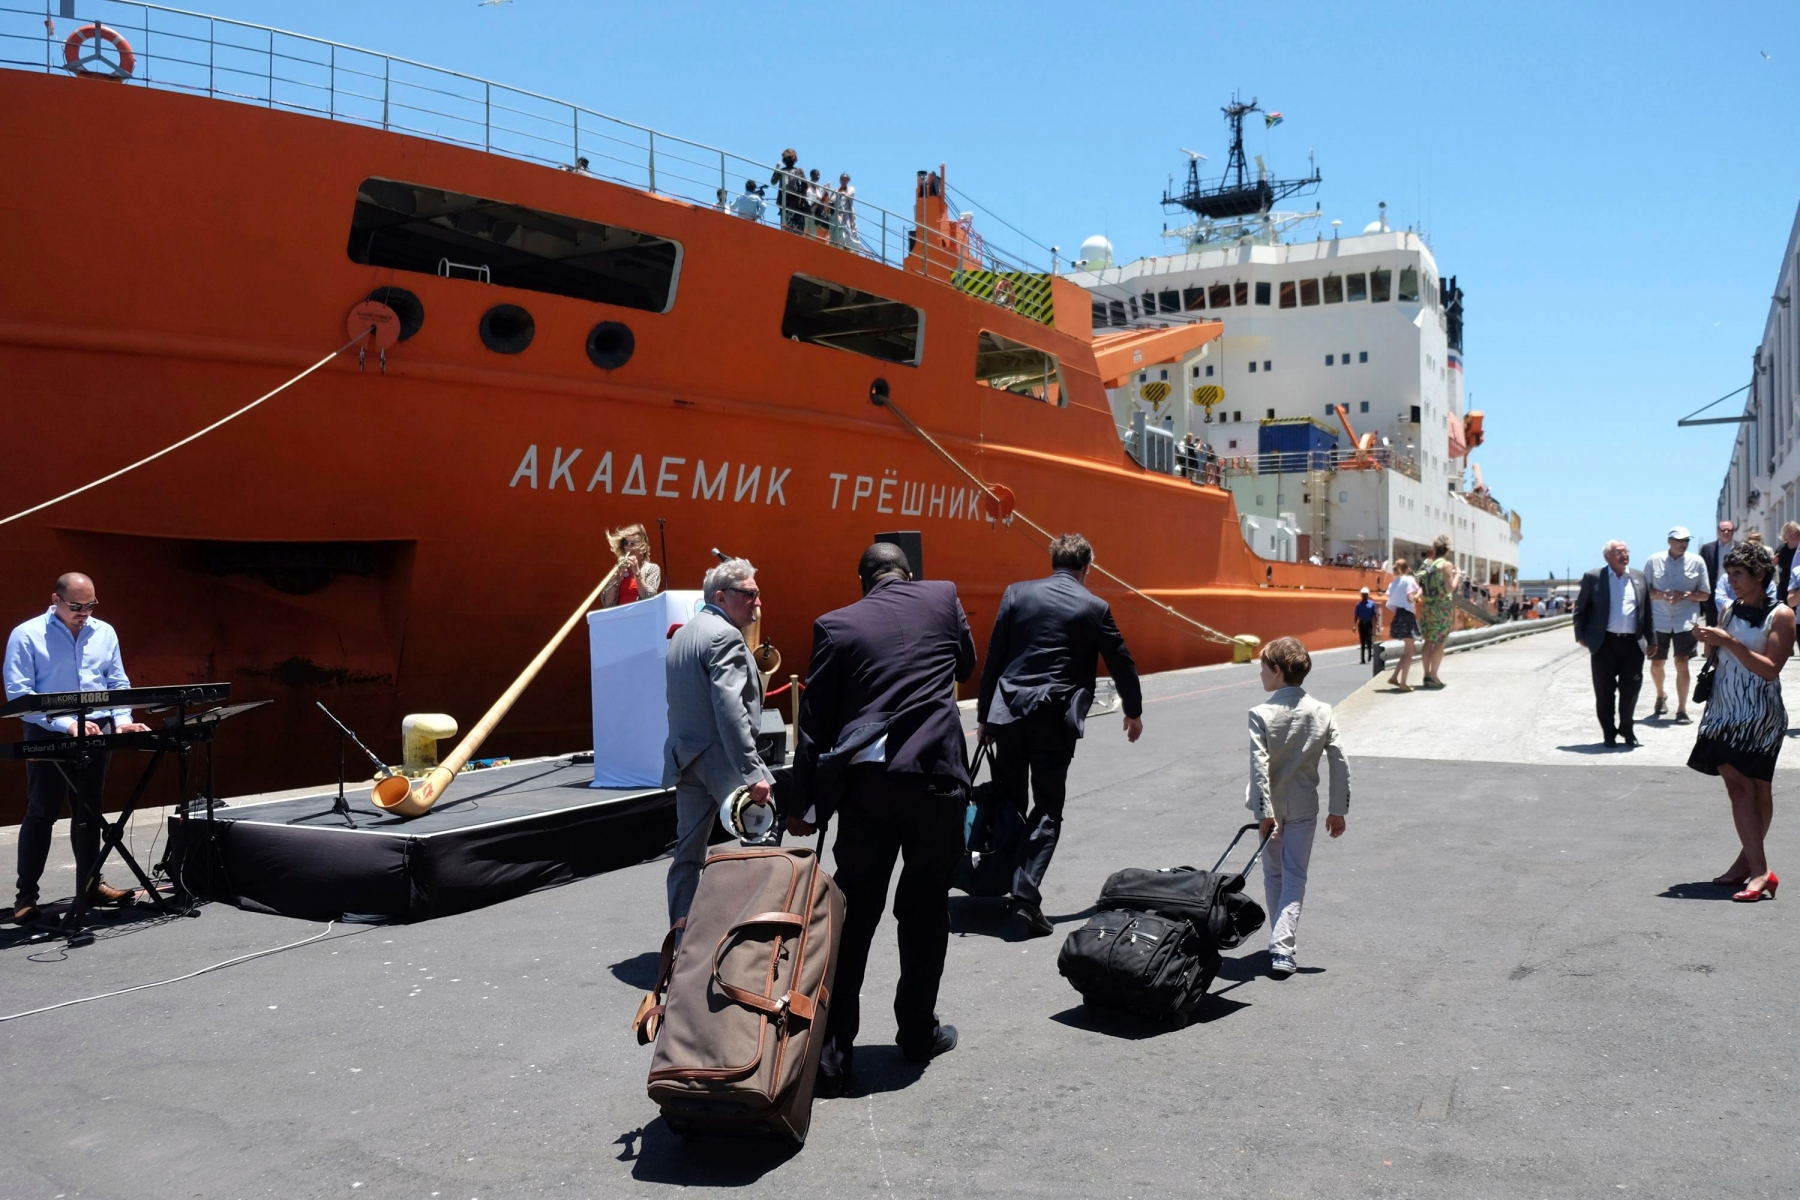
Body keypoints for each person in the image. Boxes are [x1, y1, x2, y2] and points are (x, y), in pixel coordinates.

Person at [785, 543, 975, 1093]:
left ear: (863, 581)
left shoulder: (836, 625)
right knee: (924, 911)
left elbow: (815, 725)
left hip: (869, 789)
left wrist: (804, 807)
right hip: (937, 779)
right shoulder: (942, 597)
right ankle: (917, 1033)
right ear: (908, 574)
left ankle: (832, 1057)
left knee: (856, 914)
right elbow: (964, 663)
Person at [977, 533, 1143, 938]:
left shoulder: (1017, 594)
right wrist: (1133, 712)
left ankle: (999, 884)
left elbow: (994, 656)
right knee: (1048, 808)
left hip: (1009, 714)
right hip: (1053, 720)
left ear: (1053, 561)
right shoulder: (1094, 606)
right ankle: (1023, 899)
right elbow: (1121, 660)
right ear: (1088, 567)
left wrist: (983, 715)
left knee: (1012, 801)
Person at [4, 573, 151, 925]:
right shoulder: (27, 634)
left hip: (95, 728)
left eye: (90, 605)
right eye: (76, 606)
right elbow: (19, 695)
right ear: (55, 599)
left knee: (88, 812)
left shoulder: (105, 632)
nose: (84, 613)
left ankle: (90, 883)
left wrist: (122, 721)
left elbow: (117, 684)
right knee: (42, 812)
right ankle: (26, 897)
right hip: (46, 733)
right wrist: (65, 724)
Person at [659, 558, 772, 925]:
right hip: (723, 760)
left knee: (687, 857)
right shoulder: (725, 636)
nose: (758, 602)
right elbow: (730, 709)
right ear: (722, 597)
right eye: (750, 594)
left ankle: (680, 944)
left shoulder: (683, 634)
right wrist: (753, 771)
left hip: (686, 758)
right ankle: (758, 937)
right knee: (763, 843)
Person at [1689, 540, 1793, 902]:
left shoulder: (1781, 615)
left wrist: (1729, 642)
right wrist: (1708, 640)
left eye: (1738, 574)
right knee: (1738, 786)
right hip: (1722, 711)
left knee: (1756, 788)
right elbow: (1717, 657)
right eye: (1728, 573)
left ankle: (1755, 868)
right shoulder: (1728, 610)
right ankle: (1754, 867)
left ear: (1760, 575)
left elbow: (1770, 670)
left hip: (1759, 714)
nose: (1731, 580)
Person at [1246, 637, 1349, 978]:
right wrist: (1338, 809)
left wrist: (1264, 811)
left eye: (1263, 667)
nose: (1260, 673)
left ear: (1276, 671)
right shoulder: (1322, 711)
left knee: (1274, 873)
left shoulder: (1260, 714)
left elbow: (1259, 766)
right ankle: (1282, 944)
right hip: (1305, 806)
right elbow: (1339, 762)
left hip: (1270, 808)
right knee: (1295, 875)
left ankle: (1281, 945)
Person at [1573, 540, 1650, 747]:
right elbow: (1581, 610)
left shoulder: (1639, 577)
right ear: (1607, 556)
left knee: (1631, 690)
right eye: (1618, 552)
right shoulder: (1594, 577)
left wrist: (1652, 639)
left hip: (1633, 644)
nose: (1624, 555)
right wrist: (1581, 636)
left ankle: (1627, 729)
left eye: (1626, 551)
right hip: (1604, 643)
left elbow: (1647, 612)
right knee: (1605, 692)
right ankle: (1609, 733)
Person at [1642, 525, 1709, 725]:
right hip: (1659, 618)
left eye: (1686, 540)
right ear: (1669, 541)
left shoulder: (1697, 562)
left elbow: (1705, 593)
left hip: (1685, 619)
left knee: (1682, 661)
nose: (1683, 544)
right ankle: (1661, 695)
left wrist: (1686, 595)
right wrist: (1663, 595)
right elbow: (1644, 592)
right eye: (1679, 540)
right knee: (1657, 663)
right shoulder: (1654, 561)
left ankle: (1681, 709)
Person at [1415, 535, 1459, 688]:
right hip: (1441, 609)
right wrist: (1457, 574)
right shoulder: (1445, 565)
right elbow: (1450, 587)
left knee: (1428, 642)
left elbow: (1419, 583)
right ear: (1447, 550)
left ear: (1434, 549)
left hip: (1427, 608)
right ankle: (1433, 676)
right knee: (1440, 643)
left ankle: (1426, 675)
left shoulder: (1428, 565)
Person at [599, 524, 662, 608]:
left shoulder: (652, 568)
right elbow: (607, 604)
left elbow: (649, 597)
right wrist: (615, 582)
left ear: (642, 547)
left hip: (640, 617)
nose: (628, 547)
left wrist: (637, 572)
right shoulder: (619, 569)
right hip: (620, 617)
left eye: (632, 543)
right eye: (626, 543)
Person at [1383, 560, 1421, 691]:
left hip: (1399, 614)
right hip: (1407, 616)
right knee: (1409, 652)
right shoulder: (1409, 580)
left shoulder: (1394, 582)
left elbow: (1390, 599)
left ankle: (1395, 677)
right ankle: (1403, 683)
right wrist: (1419, 592)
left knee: (1409, 650)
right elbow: (1411, 598)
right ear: (1407, 568)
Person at [1699, 519, 1735, 625]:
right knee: (1712, 628)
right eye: (1723, 530)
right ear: (1718, 531)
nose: (1726, 532)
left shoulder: (1741, 548)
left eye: (1729, 530)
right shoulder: (1707, 549)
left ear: (1733, 531)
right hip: (1713, 595)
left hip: (1735, 592)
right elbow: (1701, 572)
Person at [771, 149, 806, 233]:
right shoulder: (799, 171)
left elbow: (773, 182)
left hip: (785, 203)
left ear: (784, 160)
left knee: (785, 229)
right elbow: (806, 185)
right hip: (797, 204)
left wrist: (776, 169)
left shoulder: (782, 171)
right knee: (797, 231)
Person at [831, 173, 859, 248]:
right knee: (837, 230)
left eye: (846, 179)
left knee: (847, 231)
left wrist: (840, 194)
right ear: (840, 180)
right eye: (842, 179)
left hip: (847, 214)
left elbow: (848, 195)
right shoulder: (835, 190)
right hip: (837, 213)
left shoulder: (851, 189)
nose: (844, 181)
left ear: (848, 181)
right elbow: (832, 200)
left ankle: (846, 245)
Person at [1353, 587, 1378, 664]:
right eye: (1363, 594)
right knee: (1362, 641)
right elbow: (1356, 616)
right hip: (1361, 624)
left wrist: (1376, 625)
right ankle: (1362, 658)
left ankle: (1369, 654)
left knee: (1369, 640)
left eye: (1365, 594)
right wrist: (1354, 625)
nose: (1364, 596)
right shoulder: (1358, 605)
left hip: (1368, 623)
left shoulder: (1372, 604)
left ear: (1368, 595)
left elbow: (1375, 615)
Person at [1781, 521, 1800, 607]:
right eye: (1787, 532)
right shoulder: (1782, 549)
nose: (1790, 534)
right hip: (1787, 581)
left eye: (1792, 531)